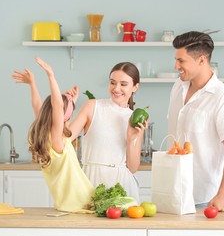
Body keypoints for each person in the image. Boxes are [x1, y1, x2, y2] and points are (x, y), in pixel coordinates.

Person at [167, 31, 224, 212]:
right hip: (172, 194)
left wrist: (222, 195)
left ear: (201, 60)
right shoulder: (178, 87)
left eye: (181, 61)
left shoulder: (222, 98)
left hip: (203, 199)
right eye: (176, 60)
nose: (176, 65)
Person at [12, 57, 94, 213]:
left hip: (68, 205)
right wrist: (51, 76)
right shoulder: (57, 139)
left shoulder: (44, 134)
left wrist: (32, 84)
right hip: (80, 202)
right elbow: (57, 105)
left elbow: (38, 105)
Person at [65, 62, 146, 202]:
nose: (116, 88)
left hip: (122, 184)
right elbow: (65, 139)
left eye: (123, 84)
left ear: (135, 87)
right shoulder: (93, 107)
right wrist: (69, 107)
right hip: (91, 179)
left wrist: (131, 137)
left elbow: (132, 168)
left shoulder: (135, 119)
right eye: (113, 83)